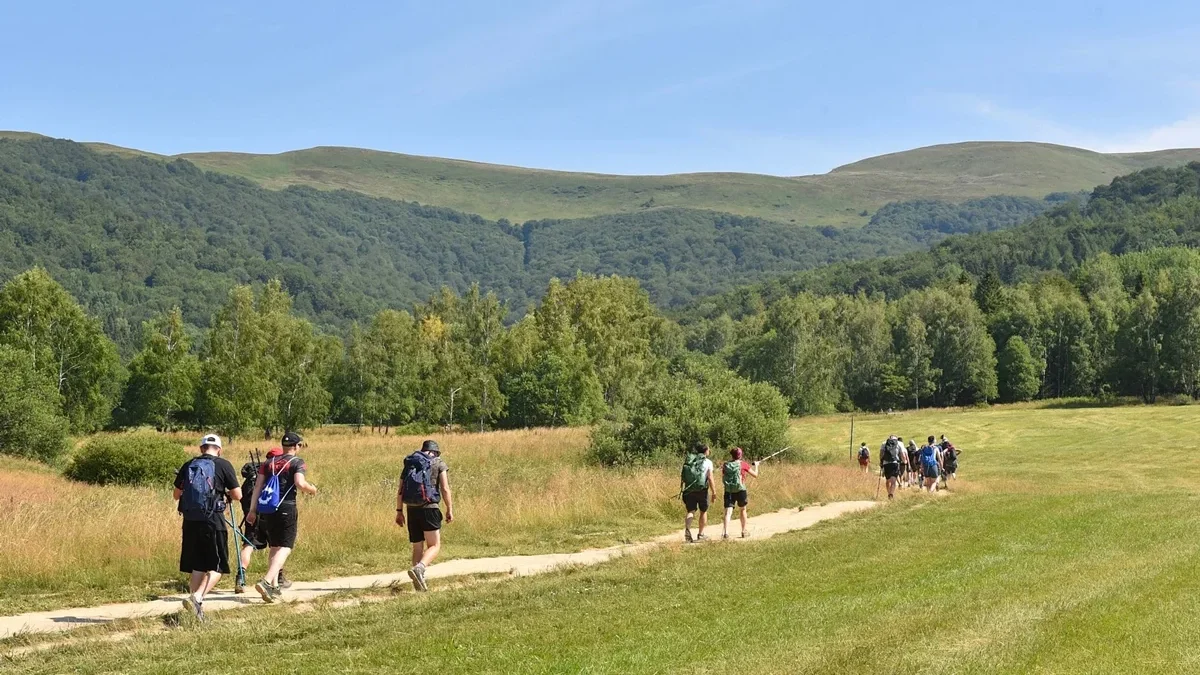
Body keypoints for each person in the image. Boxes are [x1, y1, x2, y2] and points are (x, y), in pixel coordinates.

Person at [174, 434, 241, 622]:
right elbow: (237, 495)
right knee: (217, 566)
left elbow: (176, 494)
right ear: (218, 449)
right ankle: (197, 598)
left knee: (198, 565)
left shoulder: (188, 465)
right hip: (214, 521)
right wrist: (225, 493)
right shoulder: (223, 464)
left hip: (191, 521)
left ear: (201, 448)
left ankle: (195, 610)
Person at [248, 431, 318, 603]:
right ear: (296, 446)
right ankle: (266, 581)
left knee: (274, 546)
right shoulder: (297, 462)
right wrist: (312, 489)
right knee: (286, 546)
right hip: (286, 507)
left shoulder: (268, 462)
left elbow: (258, 486)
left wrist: (252, 510)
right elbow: (300, 483)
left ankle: (274, 587)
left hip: (268, 509)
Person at [396, 439, 454, 592]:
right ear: (435, 451)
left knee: (417, 547)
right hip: (430, 508)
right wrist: (449, 509)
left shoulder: (410, 463)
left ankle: (419, 584)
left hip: (411, 509)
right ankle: (420, 569)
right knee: (434, 545)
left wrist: (399, 511)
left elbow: (400, 490)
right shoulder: (438, 462)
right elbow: (445, 488)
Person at [235, 448, 290, 594]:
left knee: (248, 545)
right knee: (277, 547)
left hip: (252, 517)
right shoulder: (276, 475)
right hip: (271, 516)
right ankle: (277, 578)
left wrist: (251, 512)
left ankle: (240, 577)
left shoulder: (250, 480)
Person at [680, 443, 717, 543]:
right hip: (702, 491)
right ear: (705, 451)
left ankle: (687, 529)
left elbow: (683, 478)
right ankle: (701, 534)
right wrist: (714, 492)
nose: (709, 451)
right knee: (703, 511)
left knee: (691, 511)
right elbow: (710, 478)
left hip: (689, 489)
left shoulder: (690, 461)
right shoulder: (708, 462)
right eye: (709, 449)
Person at [721, 447, 760, 539]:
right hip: (741, 489)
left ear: (732, 455)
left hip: (729, 490)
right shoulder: (743, 464)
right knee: (742, 509)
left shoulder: (726, 465)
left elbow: (723, 476)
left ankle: (725, 533)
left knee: (728, 512)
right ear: (740, 455)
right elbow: (755, 475)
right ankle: (743, 531)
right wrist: (757, 465)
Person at [879, 436, 902, 500]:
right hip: (895, 463)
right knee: (893, 480)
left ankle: (889, 493)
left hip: (886, 464)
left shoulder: (884, 443)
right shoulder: (898, 443)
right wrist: (903, 460)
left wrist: (881, 461)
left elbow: (881, 453)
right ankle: (891, 494)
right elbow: (902, 453)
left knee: (888, 479)